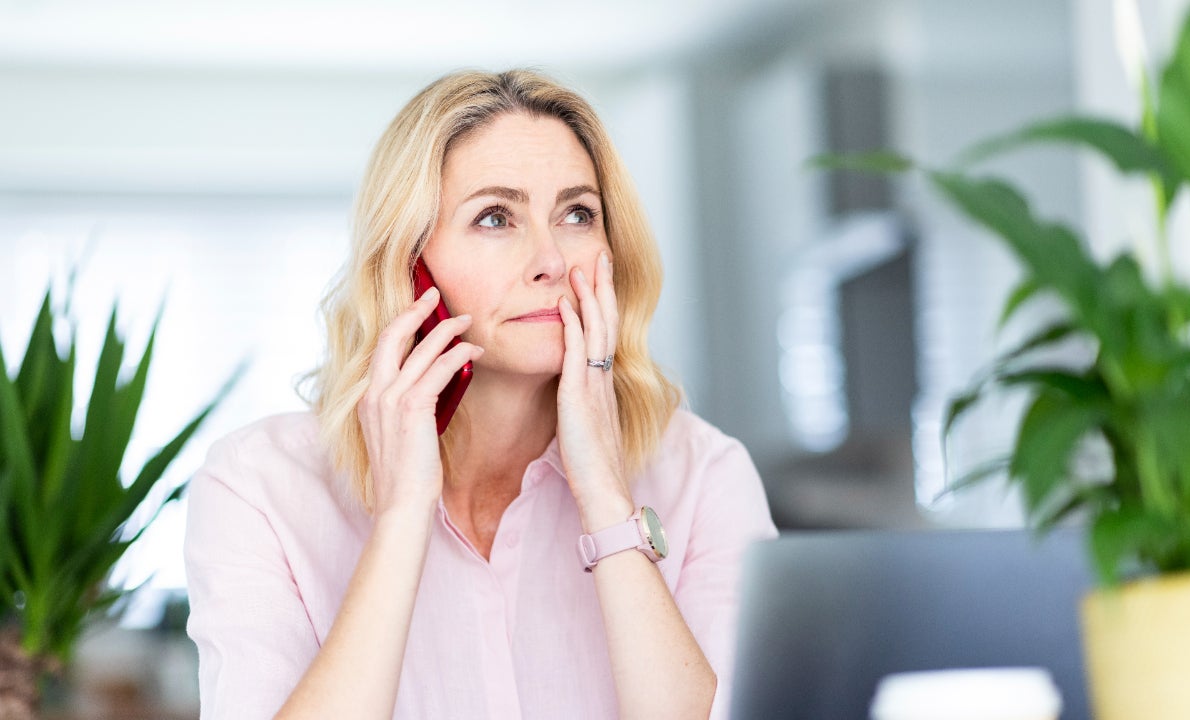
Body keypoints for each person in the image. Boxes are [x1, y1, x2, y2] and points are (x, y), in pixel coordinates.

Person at [184, 68, 778, 720]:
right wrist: (403, 514)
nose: (550, 259)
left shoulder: (706, 475)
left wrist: (607, 499)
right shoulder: (259, 486)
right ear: (409, 262)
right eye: (496, 217)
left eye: (578, 214)